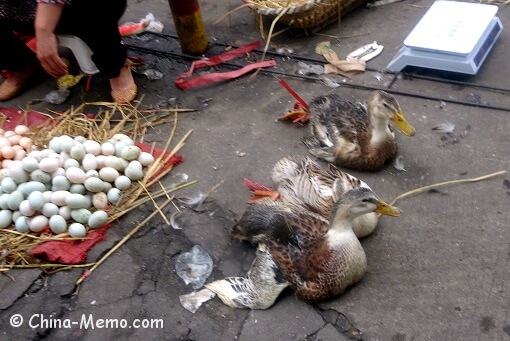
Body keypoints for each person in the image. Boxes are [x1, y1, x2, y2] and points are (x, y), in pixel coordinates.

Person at [0, 0, 137, 103]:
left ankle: (115, 66)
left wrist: (44, 30)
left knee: (94, 8)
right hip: (23, 11)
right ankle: (21, 65)